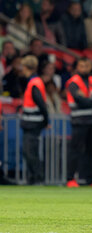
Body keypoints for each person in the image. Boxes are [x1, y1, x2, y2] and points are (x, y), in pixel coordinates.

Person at [65, 58, 92, 188]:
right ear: (77, 68)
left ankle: (90, 179)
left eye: (86, 66)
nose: (84, 68)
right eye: (81, 66)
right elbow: (79, 100)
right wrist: (90, 100)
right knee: (75, 150)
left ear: (91, 67)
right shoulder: (73, 83)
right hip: (79, 120)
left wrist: (87, 99)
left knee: (91, 150)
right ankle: (70, 178)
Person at [20, 55, 48, 185]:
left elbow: (41, 104)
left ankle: (37, 178)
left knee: (30, 151)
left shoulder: (34, 83)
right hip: (31, 121)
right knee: (29, 151)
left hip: (33, 122)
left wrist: (46, 121)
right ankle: (33, 178)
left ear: (25, 67)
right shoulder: (35, 81)